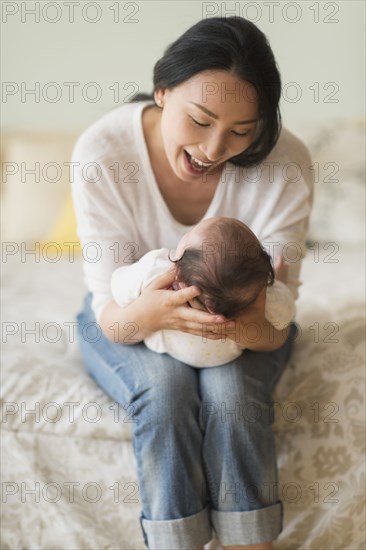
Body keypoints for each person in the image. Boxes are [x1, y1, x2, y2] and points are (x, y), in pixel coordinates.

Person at [72, 16, 313, 550]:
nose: (214, 148)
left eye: (242, 132)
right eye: (200, 120)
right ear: (162, 91)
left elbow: (280, 311)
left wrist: (243, 326)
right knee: (163, 391)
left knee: (229, 394)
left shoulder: (285, 164)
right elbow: (109, 309)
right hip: (126, 309)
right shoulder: (103, 154)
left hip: (249, 314)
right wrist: (153, 316)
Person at [110, 216, 296, 368]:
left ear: (178, 270)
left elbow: (117, 286)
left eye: (188, 234)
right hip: (223, 361)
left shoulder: (156, 271)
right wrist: (278, 284)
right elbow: (285, 313)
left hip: (167, 352)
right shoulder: (260, 297)